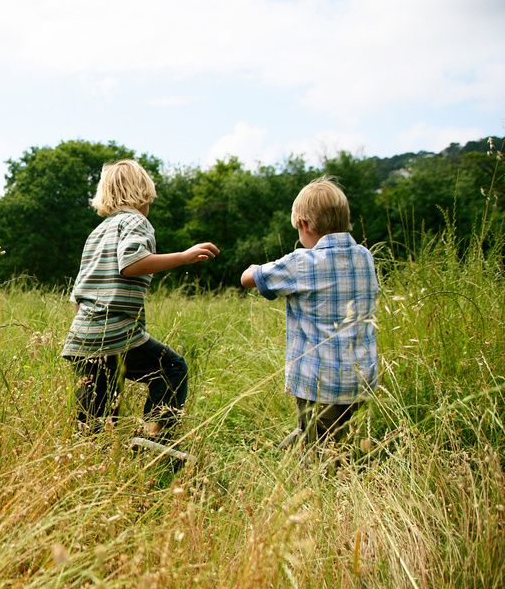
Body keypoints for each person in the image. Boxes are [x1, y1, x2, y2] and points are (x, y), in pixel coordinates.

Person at [61, 159, 219, 450]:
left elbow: (78, 291)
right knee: (173, 368)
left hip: (82, 336)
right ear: (143, 194)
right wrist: (183, 256)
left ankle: (92, 459)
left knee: (97, 417)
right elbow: (131, 263)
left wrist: (86, 330)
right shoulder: (136, 220)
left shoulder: (97, 232)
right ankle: (151, 437)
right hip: (115, 331)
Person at [241, 176, 379, 451]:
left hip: (320, 383)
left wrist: (258, 267)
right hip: (360, 379)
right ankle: (285, 455)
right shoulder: (364, 255)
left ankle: (310, 479)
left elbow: (249, 279)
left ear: (303, 224)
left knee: (316, 445)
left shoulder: (302, 262)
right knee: (326, 432)